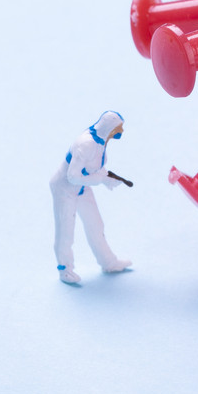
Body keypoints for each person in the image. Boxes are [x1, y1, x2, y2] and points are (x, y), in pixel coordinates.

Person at [51, 111, 131, 284]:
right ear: (110, 128)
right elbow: (73, 176)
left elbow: (93, 168)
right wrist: (100, 179)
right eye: (119, 127)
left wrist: (107, 179)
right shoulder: (86, 144)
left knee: (96, 224)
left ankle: (108, 262)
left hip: (82, 188)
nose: (121, 131)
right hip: (64, 189)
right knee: (66, 230)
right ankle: (65, 270)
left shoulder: (101, 141)